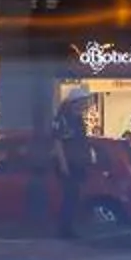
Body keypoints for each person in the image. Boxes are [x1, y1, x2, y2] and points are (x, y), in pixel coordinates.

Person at [50, 96, 95, 239]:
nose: (85, 106)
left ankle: (69, 228)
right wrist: (63, 164)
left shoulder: (78, 120)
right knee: (69, 196)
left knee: (74, 197)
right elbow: (57, 143)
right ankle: (64, 230)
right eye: (82, 102)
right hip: (69, 164)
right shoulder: (62, 119)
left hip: (78, 163)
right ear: (74, 103)